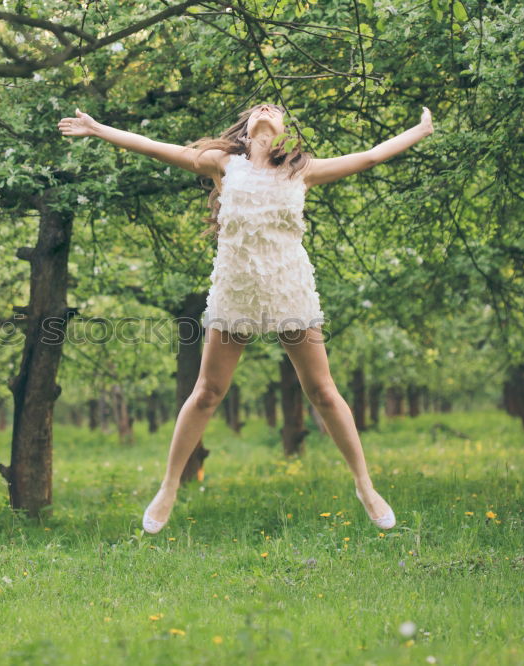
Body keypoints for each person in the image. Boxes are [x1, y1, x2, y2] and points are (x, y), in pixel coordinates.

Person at [58, 102, 434, 534]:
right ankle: (168, 487)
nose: (265, 108)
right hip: (236, 289)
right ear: (246, 127)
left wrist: (420, 130)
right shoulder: (224, 163)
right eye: (258, 106)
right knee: (207, 392)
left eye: (273, 107)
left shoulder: (302, 169)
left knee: (323, 392)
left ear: (284, 128)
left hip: (288, 287)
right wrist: (98, 128)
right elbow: (153, 147)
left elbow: (369, 156)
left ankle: (365, 485)